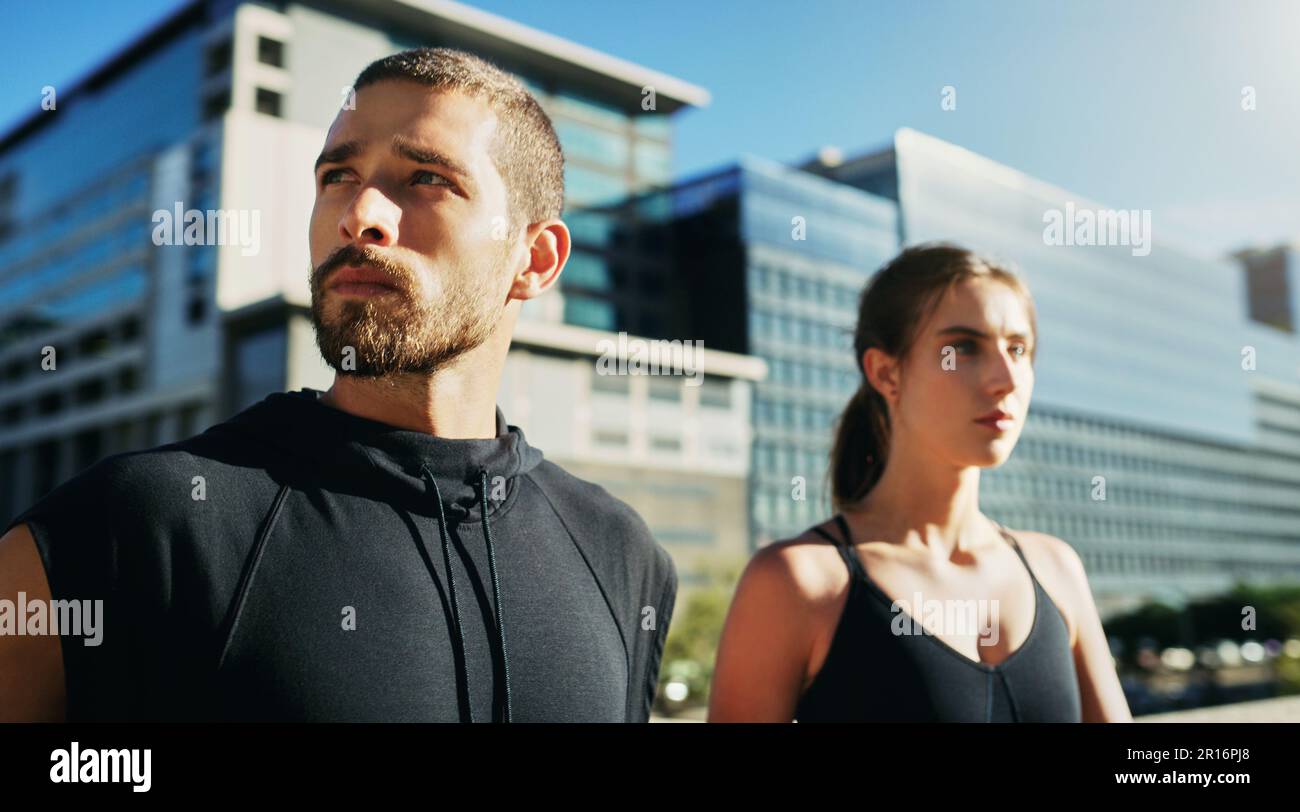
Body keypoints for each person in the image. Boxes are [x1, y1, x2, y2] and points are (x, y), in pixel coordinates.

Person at [0, 48, 677, 723]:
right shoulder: (127, 528)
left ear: (535, 259)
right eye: (338, 175)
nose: (361, 215)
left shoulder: (621, 552)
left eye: (426, 178)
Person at [709, 244, 1131, 722]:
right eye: (964, 348)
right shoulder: (799, 582)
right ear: (886, 372)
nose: (1006, 378)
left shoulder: (1057, 569)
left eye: (1018, 348)